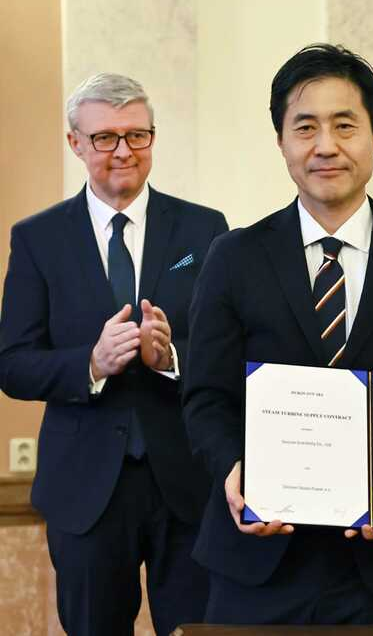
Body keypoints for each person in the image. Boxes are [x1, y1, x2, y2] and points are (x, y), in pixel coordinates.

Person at [183, 43, 373, 624]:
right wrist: (233, 469)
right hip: (258, 560)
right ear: (281, 141)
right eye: (305, 127)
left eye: (345, 126)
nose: (325, 146)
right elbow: (205, 398)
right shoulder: (233, 257)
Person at [0, 73, 228, 635]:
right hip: (85, 492)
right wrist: (91, 364)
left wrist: (171, 356)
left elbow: (231, 356)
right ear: (76, 143)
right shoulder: (38, 238)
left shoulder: (207, 230)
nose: (123, 150)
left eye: (137, 135)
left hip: (188, 486)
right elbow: (13, 362)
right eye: (105, 137)